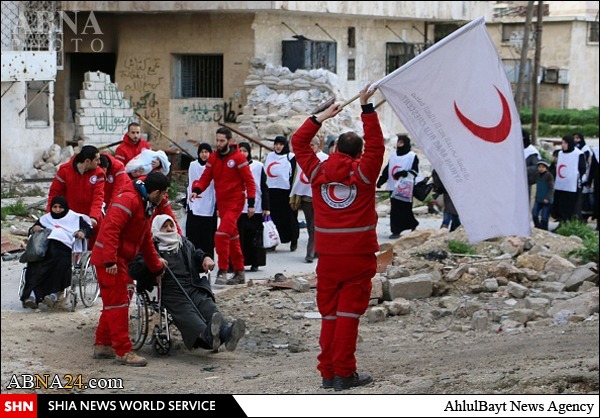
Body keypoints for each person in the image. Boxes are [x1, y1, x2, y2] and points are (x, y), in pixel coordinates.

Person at [292, 83, 382, 391]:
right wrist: (367, 108)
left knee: (329, 315)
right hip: (358, 258)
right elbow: (377, 146)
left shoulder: (317, 173)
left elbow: (298, 143)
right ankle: (344, 373)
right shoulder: (365, 175)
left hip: (327, 257)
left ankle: (328, 373)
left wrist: (319, 118)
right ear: (358, 154)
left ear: (333, 150)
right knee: (347, 315)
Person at [129, 215, 246, 352]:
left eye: (171, 225)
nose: (169, 229)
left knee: (207, 305)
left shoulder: (182, 243)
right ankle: (207, 337)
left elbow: (197, 255)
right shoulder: (149, 247)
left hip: (191, 286)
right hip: (168, 291)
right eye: (164, 226)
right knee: (188, 314)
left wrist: (206, 258)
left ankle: (227, 333)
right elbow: (134, 269)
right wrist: (154, 264)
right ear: (155, 229)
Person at [90, 172, 170, 367]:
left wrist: (156, 267)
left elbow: (145, 241)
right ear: (156, 192)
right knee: (118, 303)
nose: (165, 198)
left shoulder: (146, 204)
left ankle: (103, 344)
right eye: (164, 194)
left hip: (119, 258)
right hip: (110, 260)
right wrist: (110, 261)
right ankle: (123, 351)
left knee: (116, 301)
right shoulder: (129, 200)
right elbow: (110, 229)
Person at [190, 127, 256, 285]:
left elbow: (249, 181)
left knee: (220, 234)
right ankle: (240, 271)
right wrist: (197, 189)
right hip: (222, 203)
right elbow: (206, 177)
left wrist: (251, 203)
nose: (218, 143)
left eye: (222, 141)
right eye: (217, 140)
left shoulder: (238, 158)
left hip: (236, 202)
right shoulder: (213, 158)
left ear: (229, 141)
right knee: (232, 237)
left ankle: (223, 270)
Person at [20, 196, 92, 309]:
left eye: (60, 208)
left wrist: (82, 232)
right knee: (35, 264)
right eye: (55, 207)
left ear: (65, 208)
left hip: (65, 248)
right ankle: (31, 295)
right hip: (45, 248)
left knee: (60, 263)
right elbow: (32, 229)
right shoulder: (46, 219)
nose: (57, 210)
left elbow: (88, 230)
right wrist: (35, 228)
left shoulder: (75, 218)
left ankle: (54, 293)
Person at [47, 145, 105, 246]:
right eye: (96, 160)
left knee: (94, 249)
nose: (99, 163)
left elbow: (98, 197)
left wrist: (94, 218)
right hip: (70, 218)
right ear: (87, 161)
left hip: (90, 218)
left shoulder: (98, 173)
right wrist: (50, 215)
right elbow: (54, 194)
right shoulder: (65, 171)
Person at [289, 137, 329, 263]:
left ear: (318, 145)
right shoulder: (303, 159)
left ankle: (311, 252)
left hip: (320, 197)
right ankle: (315, 250)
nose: (310, 148)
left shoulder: (325, 158)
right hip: (306, 197)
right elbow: (297, 178)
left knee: (316, 225)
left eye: (312, 145)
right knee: (310, 225)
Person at [376, 134, 420, 238]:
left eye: (401, 142)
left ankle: (412, 224)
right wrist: (381, 181)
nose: (399, 144)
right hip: (393, 187)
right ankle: (396, 230)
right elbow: (387, 169)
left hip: (406, 188)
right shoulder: (393, 156)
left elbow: (415, 171)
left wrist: (404, 173)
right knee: (395, 209)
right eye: (398, 142)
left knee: (405, 209)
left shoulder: (412, 156)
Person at [237, 142, 270, 272]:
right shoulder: (234, 166)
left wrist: (266, 207)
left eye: (245, 151)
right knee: (240, 237)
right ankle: (238, 263)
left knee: (254, 237)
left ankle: (255, 262)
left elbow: (263, 187)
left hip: (255, 207)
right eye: (240, 151)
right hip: (239, 207)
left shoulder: (258, 166)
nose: (243, 153)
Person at [265, 136, 299, 251]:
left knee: (289, 217)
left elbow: (294, 175)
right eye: (276, 144)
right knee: (274, 217)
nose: (278, 147)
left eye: (281, 144)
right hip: (272, 191)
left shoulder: (291, 157)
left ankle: (293, 239)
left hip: (286, 192)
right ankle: (274, 241)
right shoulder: (270, 156)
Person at [186, 143, 217, 259]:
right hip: (194, 204)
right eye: (202, 152)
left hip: (208, 204)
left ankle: (208, 259)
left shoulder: (213, 166)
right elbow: (190, 183)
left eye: (206, 152)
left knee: (207, 236)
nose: (204, 155)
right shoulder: (193, 165)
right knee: (193, 234)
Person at [553, 135, 586, 223]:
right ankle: (561, 221)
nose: (563, 145)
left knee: (571, 207)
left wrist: (574, 177)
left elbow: (582, 168)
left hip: (572, 186)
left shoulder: (578, 154)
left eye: (565, 143)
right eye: (562, 143)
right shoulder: (560, 153)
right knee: (560, 205)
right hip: (561, 185)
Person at [574, 132, 594, 222]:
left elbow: (588, 165)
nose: (575, 140)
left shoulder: (586, 150)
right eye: (574, 138)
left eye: (577, 138)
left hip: (585, 177)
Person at [531, 160, 555, 231]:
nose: (541, 168)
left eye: (543, 167)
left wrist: (548, 198)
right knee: (534, 214)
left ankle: (544, 230)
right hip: (538, 199)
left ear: (546, 168)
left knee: (544, 217)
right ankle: (538, 228)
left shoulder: (549, 176)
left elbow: (551, 188)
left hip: (546, 200)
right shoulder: (537, 175)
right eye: (539, 167)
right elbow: (531, 181)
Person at [523, 128, 541, 199]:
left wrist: (524, 169)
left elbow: (536, 166)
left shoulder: (531, 152)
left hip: (526, 179)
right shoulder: (516, 148)